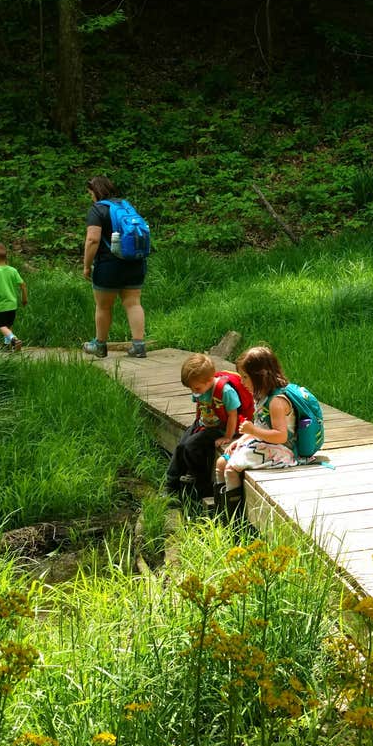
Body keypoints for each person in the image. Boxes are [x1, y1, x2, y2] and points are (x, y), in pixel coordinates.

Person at [217, 344, 298, 518]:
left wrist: (252, 430)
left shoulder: (277, 402)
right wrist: (243, 438)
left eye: (245, 377)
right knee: (220, 463)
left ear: (260, 376)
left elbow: (281, 435)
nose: (242, 382)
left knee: (231, 469)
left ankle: (234, 520)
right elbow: (262, 425)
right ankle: (220, 512)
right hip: (266, 443)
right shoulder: (262, 397)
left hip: (284, 449)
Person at [166, 353, 250, 505]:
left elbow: (233, 416)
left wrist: (228, 437)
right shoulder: (198, 388)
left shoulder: (225, 391)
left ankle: (199, 482)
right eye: (191, 388)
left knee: (192, 446)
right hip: (205, 423)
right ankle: (171, 484)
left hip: (222, 427)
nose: (194, 392)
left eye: (197, 388)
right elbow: (201, 406)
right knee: (181, 446)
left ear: (210, 380)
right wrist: (198, 423)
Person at [81, 175, 146, 358]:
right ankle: (139, 346)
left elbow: (93, 239)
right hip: (134, 262)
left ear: (95, 191)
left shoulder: (98, 209)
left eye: (90, 193)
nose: (91, 197)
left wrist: (86, 266)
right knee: (133, 303)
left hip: (109, 264)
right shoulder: (125, 205)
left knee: (103, 306)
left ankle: (100, 345)